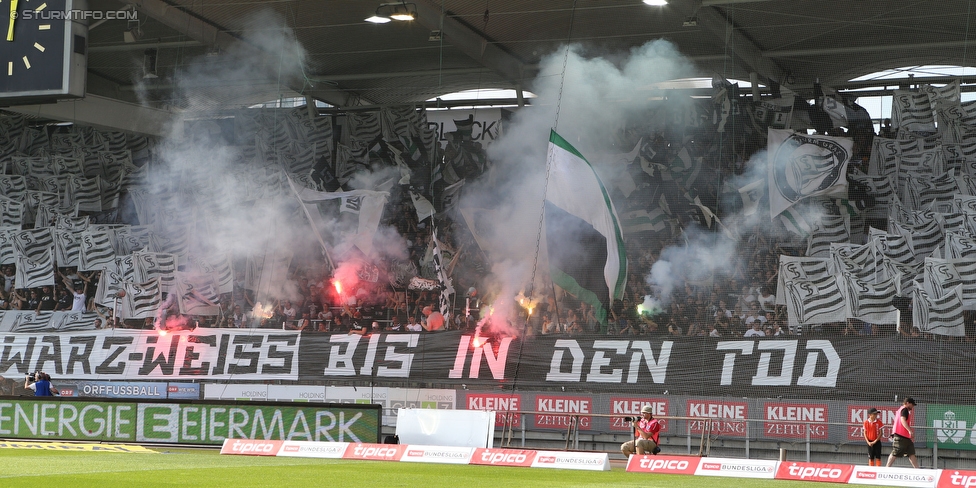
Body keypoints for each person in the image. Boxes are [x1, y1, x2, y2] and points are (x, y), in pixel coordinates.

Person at [887, 397, 919, 468]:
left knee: (911, 453)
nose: (912, 406)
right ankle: (887, 468)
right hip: (900, 435)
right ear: (907, 403)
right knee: (895, 452)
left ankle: (917, 469)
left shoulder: (900, 409)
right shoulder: (905, 410)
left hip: (905, 436)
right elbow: (903, 420)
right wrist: (910, 431)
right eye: (912, 404)